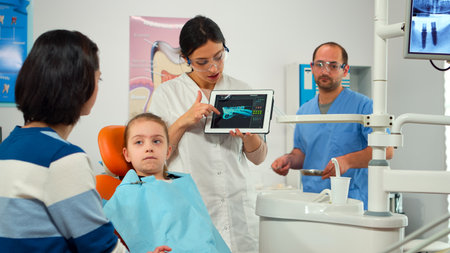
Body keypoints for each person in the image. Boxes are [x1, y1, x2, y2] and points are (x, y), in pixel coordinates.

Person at [0, 30, 169, 253]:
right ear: (79, 86)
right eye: (98, 79)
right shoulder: (61, 158)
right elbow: (99, 247)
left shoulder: (7, 147)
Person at [148, 15, 267, 253]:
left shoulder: (242, 90)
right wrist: (184, 121)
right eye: (202, 61)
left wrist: (249, 136)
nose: (214, 68)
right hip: (193, 209)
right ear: (185, 58)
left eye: (219, 57)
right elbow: (152, 156)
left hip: (238, 209)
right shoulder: (167, 94)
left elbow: (259, 157)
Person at [271, 42, 393, 210]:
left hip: (352, 202)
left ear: (346, 70)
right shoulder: (304, 111)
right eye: (319, 64)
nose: (325, 71)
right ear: (312, 68)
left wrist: (347, 161)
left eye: (333, 65)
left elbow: (386, 150)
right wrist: (288, 160)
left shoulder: (364, 106)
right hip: (312, 201)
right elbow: (302, 153)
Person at [103, 112, 230, 253]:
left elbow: (206, 230)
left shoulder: (183, 182)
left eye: (156, 141)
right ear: (127, 154)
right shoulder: (127, 192)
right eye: (139, 142)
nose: (149, 147)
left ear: (168, 151)